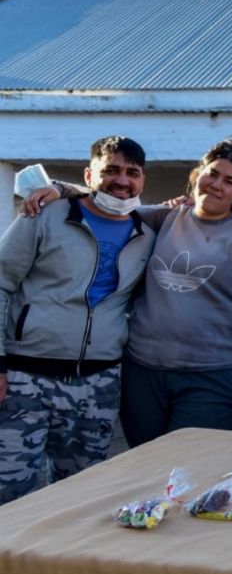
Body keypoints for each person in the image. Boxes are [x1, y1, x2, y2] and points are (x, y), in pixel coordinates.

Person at [0, 137, 154, 503]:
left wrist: (62, 186)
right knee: (10, 492)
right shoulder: (45, 214)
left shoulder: (146, 234)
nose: (122, 181)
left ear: (142, 180)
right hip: (26, 379)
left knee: (79, 498)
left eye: (132, 173)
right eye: (111, 170)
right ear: (90, 174)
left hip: (98, 384)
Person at [115, 138, 232, 446]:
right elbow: (109, 205)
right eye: (212, 173)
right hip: (143, 373)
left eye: (229, 180)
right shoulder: (164, 217)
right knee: (143, 468)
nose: (216, 185)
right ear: (198, 173)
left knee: (184, 470)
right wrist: (60, 189)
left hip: (214, 377)